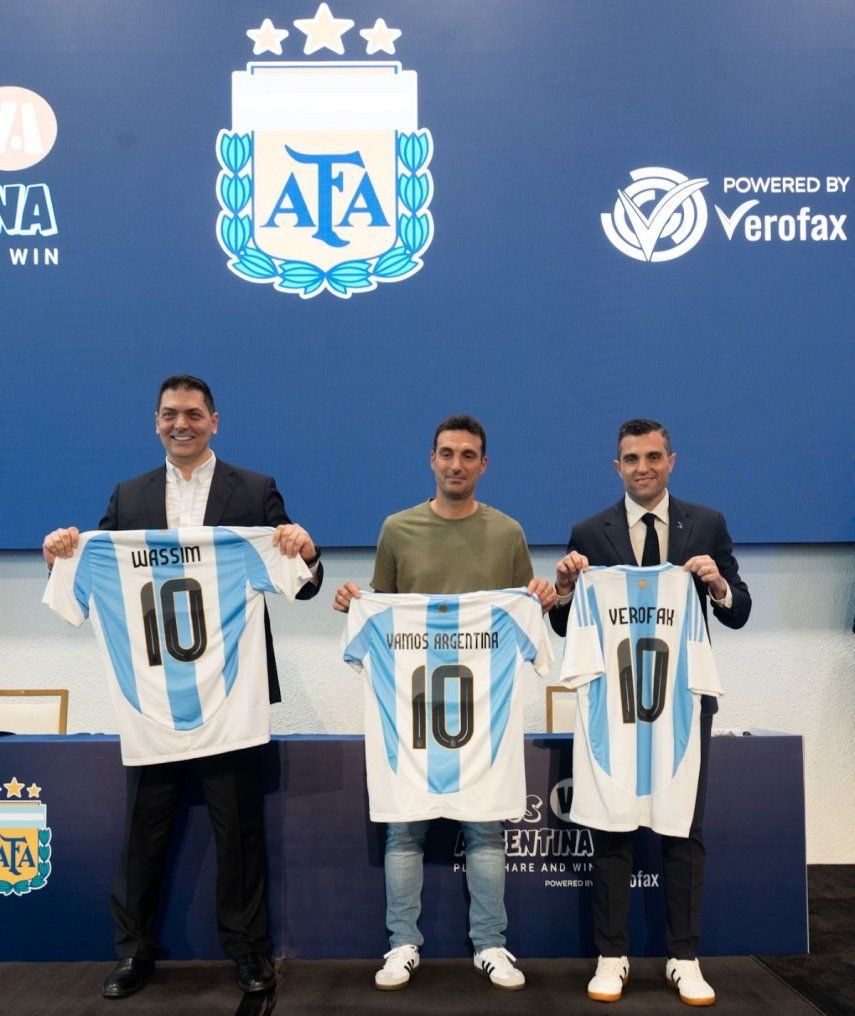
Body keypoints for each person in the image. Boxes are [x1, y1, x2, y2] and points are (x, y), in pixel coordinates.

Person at [42, 375, 323, 999]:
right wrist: (61, 552)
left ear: (214, 421)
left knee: (239, 834)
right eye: (170, 414)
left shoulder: (254, 490)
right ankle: (134, 952)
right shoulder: (128, 496)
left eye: (193, 414)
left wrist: (304, 549)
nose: (181, 424)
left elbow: (301, 582)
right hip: (151, 700)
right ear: (155, 421)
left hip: (231, 695)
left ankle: (250, 955)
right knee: (144, 833)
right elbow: (89, 577)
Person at [334, 414, 556, 992]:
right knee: (403, 830)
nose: (456, 464)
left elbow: (527, 614)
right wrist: (354, 603)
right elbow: (381, 610)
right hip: (411, 713)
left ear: (483, 465)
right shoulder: (397, 529)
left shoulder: (508, 532)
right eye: (446, 453)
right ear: (431, 460)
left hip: (483, 716)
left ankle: (491, 944)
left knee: (485, 831)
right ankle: (402, 944)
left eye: (468, 455)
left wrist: (543, 597)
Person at [550, 418, 750, 1007]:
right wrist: (563, 589)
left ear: (671, 461)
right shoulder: (590, 530)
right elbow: (567, 625)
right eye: (631, 458)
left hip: (682, 705)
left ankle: (683, 957)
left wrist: (716, 585)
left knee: (682, 831)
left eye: (653, 457)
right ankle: (611, 956)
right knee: (611, 827)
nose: (643, 467)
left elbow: (738, 610)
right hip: (612, 710)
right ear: (617, 467)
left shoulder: (706, 525)